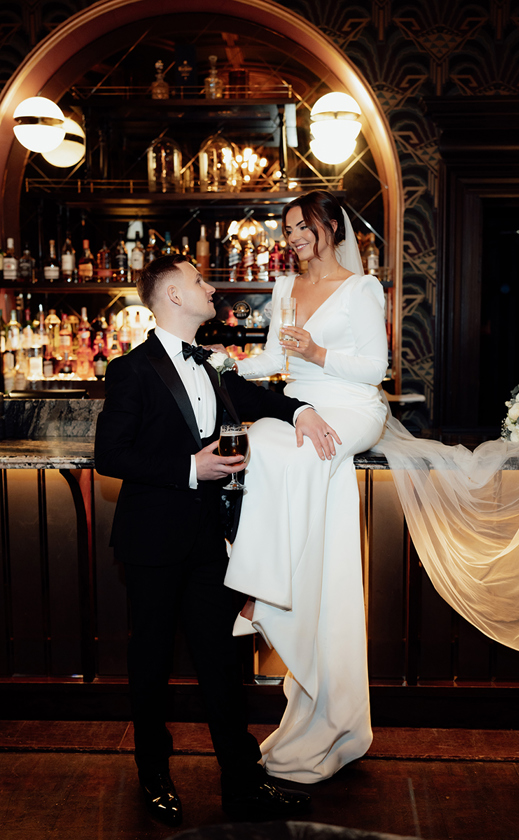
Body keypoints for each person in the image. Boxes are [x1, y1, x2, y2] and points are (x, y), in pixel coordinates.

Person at [94, 254, 341, 827]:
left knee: (222, 665)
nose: (211, 286)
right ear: (173, 297)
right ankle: (154, 775)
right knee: (151, 664)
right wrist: (188, 468)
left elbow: (259, 401)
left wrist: (301, 410)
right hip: (151, 540)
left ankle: (243, 784)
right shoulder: (131, 370)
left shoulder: (212, 365)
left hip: (209, 541)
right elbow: (112, 455)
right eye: (199, 281)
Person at [224, 190, 389, 783]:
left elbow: (377, 369)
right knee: (266, 442)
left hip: (352, 406)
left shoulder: (361, 289)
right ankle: (268, 586)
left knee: (290, 452)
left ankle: (259, 593)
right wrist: (220, 361)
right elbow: (272, 362)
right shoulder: (285, 289)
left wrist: (318, 350)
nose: (292, 237)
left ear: (330, 228)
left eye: (302, 227)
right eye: (287, 228)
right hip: (303, 405)